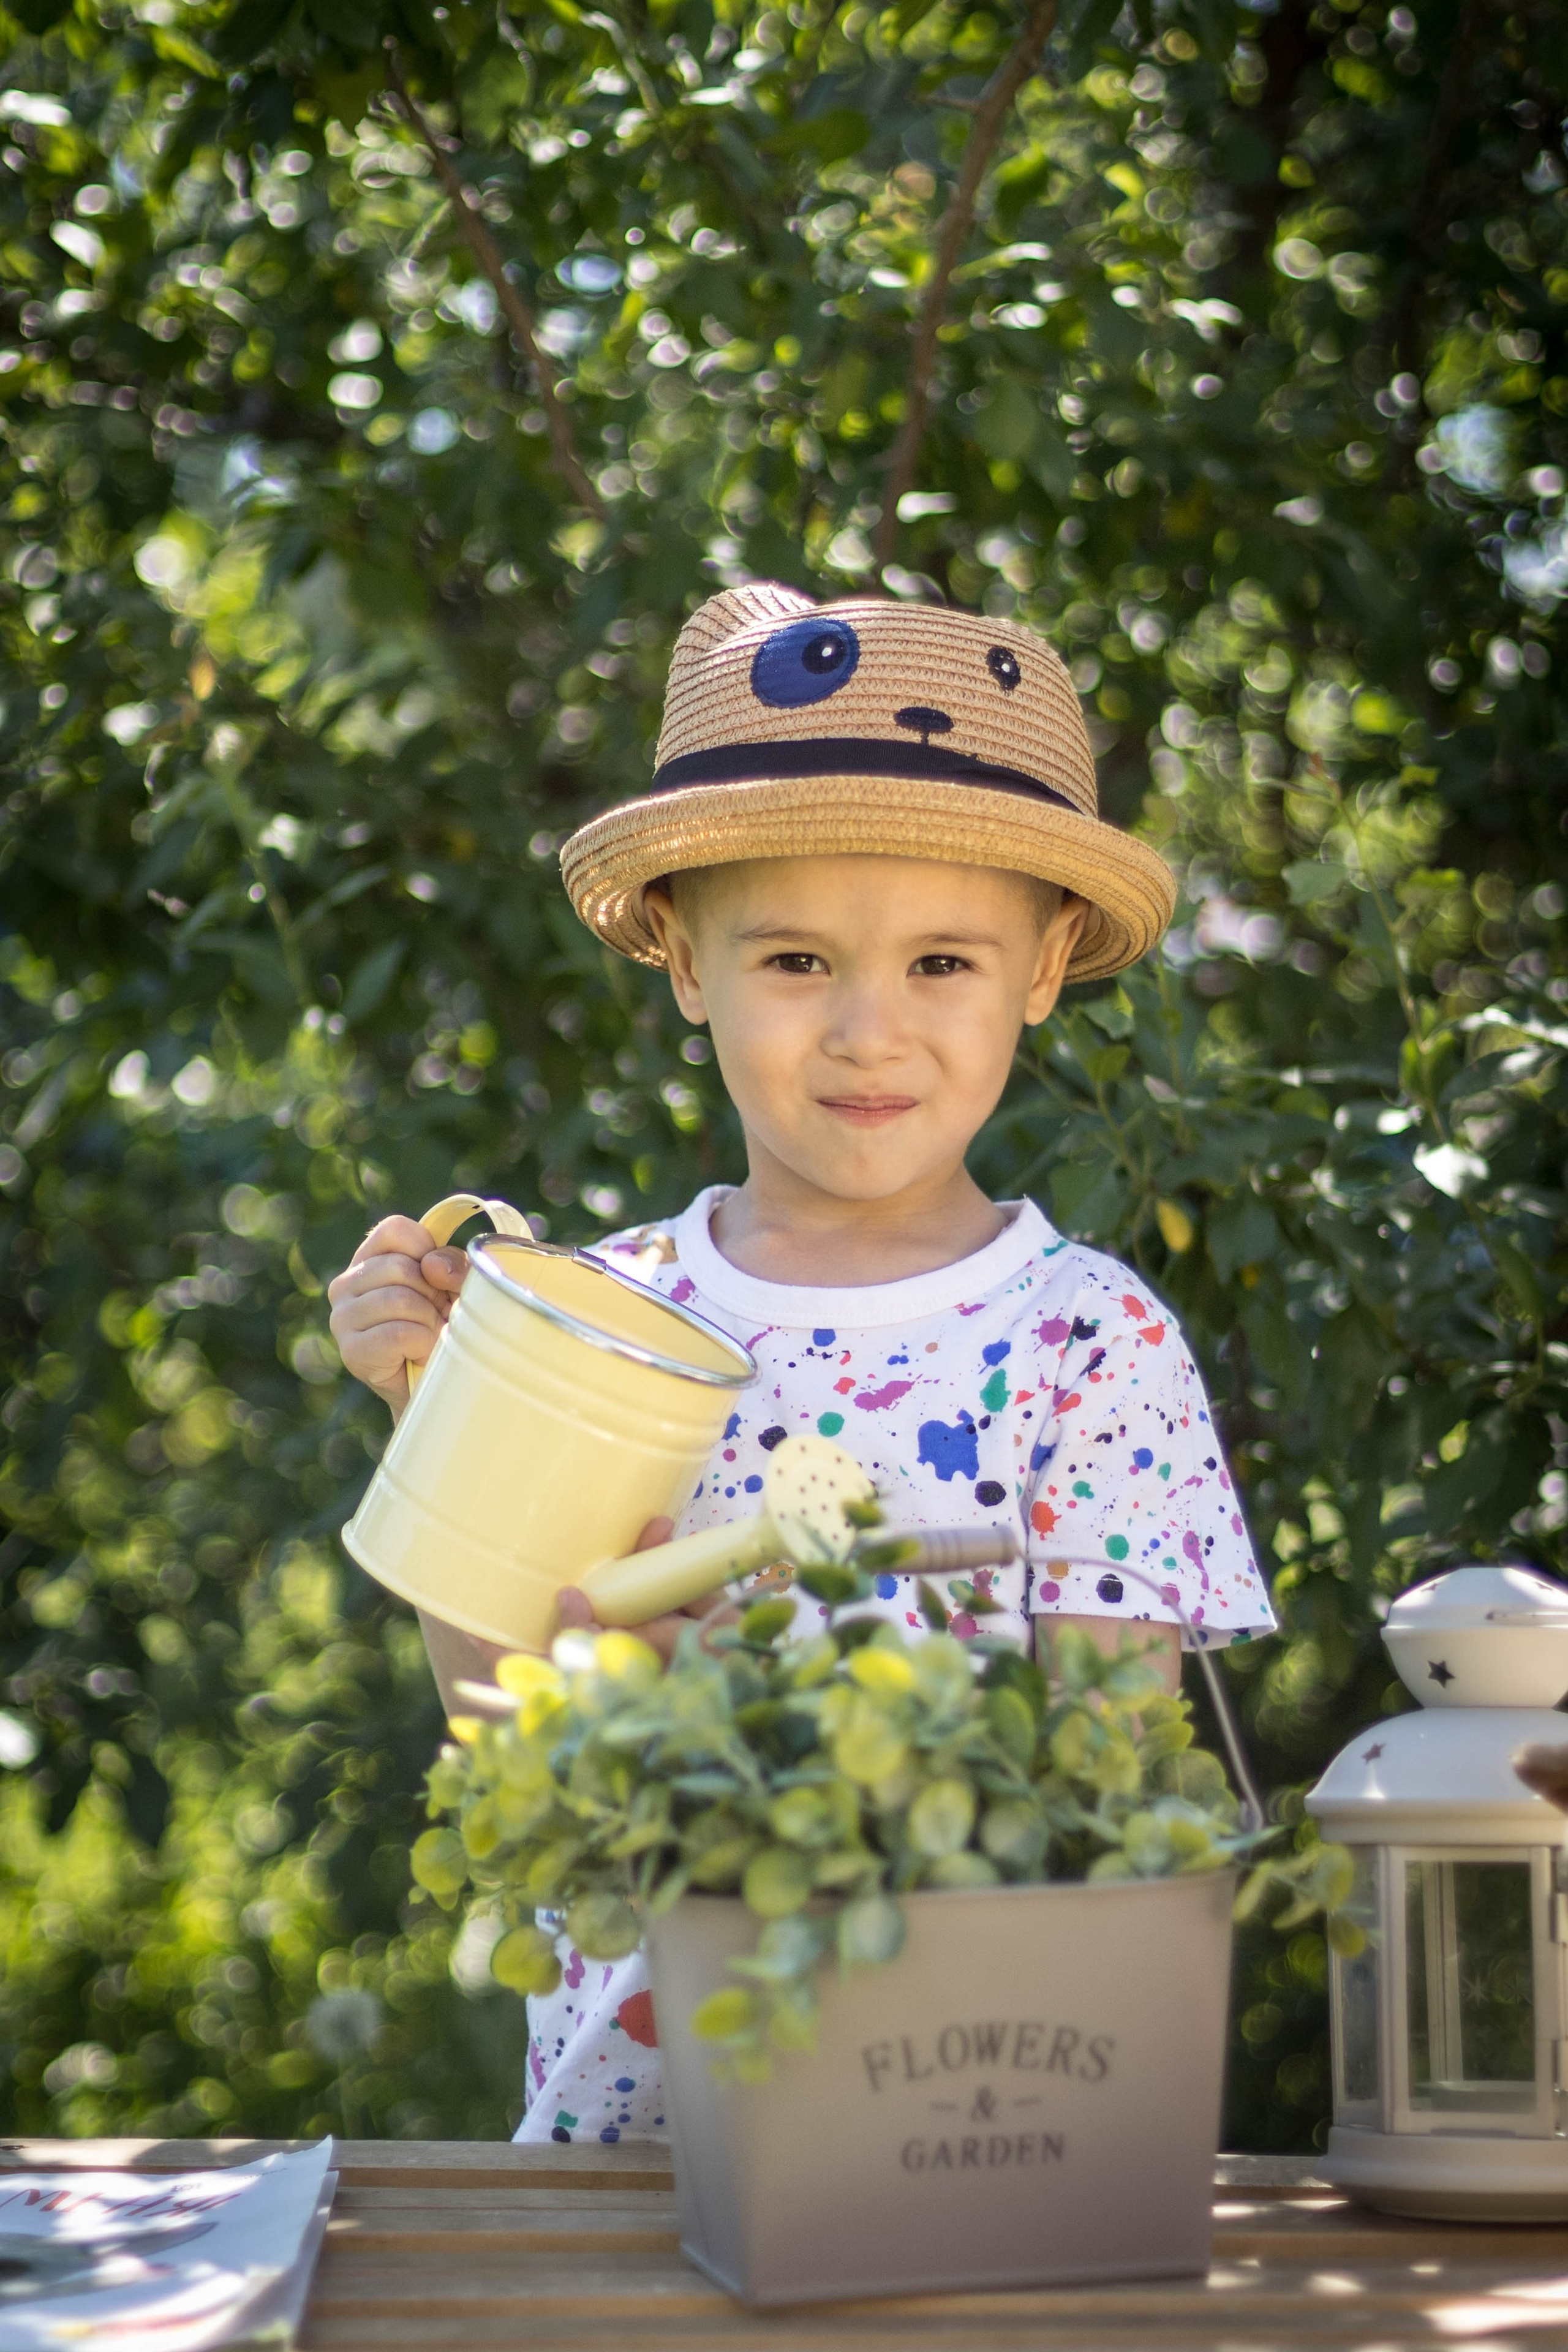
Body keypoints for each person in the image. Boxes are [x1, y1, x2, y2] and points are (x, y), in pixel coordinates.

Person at [327, 582, 1275, 2146]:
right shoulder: (600, 1319)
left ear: (1043, 970)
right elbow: (512, 1774)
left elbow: (1121, 1822)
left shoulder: (1089, 1345)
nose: (865, 1032)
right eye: (790, 962)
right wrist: (447, 1413)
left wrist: (777, 1757)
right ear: (684, 962)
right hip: (624, 2154)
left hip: (974, 2137)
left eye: (943, 966)